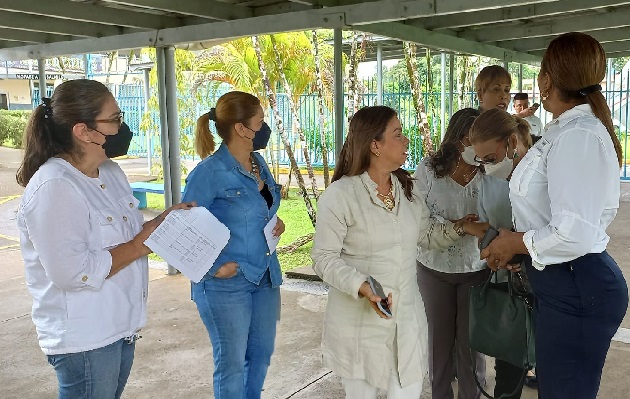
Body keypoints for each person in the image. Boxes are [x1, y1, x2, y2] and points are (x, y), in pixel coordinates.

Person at [16, 79, 192, 399]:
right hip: (86, 339)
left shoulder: (110, 173)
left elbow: (126, 238)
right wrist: (142, 244)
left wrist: (160, 224)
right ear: (83, 131)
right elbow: (72, 272)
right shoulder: (55, 186)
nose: (122, 128)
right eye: (114, 119)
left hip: (119, 328)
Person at [480, 32, 629, 399]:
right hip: (564, 281)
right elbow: (553, 217)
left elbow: (573, 233)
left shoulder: (578, 135)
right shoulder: (564, 129)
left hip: (578, 286)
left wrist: (517, 242)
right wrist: (523, 250)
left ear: (547, 79)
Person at [311, 105, 488, 399]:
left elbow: (426, 234)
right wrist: (362, 286)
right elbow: (323, 258)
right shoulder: (341, 196)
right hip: (360, 324)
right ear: (375, 145)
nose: (406, 140)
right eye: (398, 134)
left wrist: (461, 228)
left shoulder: (406, 190)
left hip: (407, 318)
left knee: (407, 389)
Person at [182, 91, 285, 399]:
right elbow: (181, 229)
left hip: (265, 275)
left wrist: (275, 222)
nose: (265, 128)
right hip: (226, 285)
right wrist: (216, 267)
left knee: (261, 356)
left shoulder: (258, 163)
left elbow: (262, 207)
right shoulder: (209, 173)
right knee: (232, 365)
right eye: (260, 122)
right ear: (242, 128)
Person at [414, 108, 489, 399]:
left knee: (472, 345)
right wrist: (461, 227)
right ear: (457, 138)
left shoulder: (489, 171)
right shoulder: (429, 169)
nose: (477, 146)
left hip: (476, 268)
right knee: (440, 343)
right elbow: (422, 222)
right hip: (435, 270)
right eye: (472, 138)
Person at [468, 107, 534, 398]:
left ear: (510, 142)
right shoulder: (488, 181)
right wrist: (495, 249)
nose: (486, 167)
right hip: (508, 290)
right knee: (508, 374)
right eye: (481, 161)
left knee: (553, 370)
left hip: (546, 285)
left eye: (491, 159)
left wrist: (523, 251)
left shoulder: (542, 171)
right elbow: (486, 232)